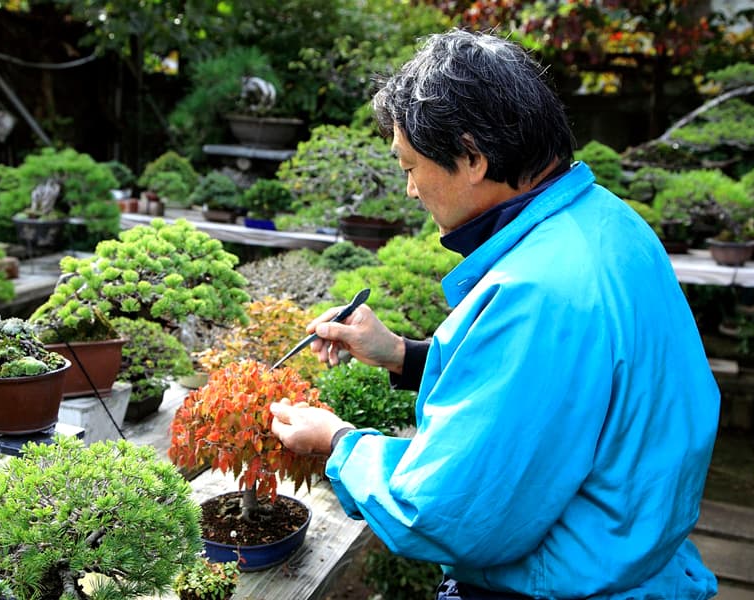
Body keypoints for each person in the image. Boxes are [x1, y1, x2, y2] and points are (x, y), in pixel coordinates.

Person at [270, 29, 719, 600]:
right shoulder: (608, 221)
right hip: (639, 556)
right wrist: (401, 355)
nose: (409, 191)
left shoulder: (537, 290)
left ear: (473, 157)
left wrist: (339, 442)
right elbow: (560, 390)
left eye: (409, 166)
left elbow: (447, 511)